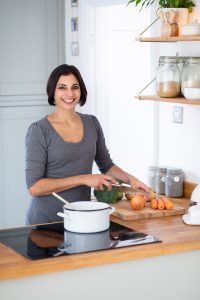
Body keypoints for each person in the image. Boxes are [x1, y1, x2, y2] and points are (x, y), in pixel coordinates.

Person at [25, 64, 149, 225]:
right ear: (52, 92)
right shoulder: (39, 130)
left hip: (80, 219)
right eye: (62, 87)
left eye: (75, 87)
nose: (70, 93)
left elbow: (106, 165)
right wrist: (84, 179)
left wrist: (131, 179)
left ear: (81, 90)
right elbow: (34, 187)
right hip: (45, 222)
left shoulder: (92, 123)